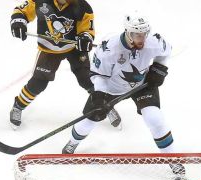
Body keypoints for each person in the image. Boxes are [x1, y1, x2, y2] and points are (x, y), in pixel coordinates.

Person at [62, 11, 176, 156]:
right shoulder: (108, 49)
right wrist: (98, 95)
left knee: (155, 119)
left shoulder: (153, 42)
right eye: (137, 35)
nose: (142, 39)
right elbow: (99, 75)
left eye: (144, 34)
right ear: (128, 32)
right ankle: (73, 142)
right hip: (111, 88)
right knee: (89, 121)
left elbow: (166, 51)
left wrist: (160, 68)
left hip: (141, 85)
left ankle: (173, 160)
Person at [9, 0, 121, 130]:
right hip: (48, 48)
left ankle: (106, 105)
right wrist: (18, 21)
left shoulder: (82, 6)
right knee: (38, 84)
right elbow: (21, 11)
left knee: (89, 80)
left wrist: (85, 38)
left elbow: (87, 30)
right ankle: (18, 105)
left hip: (74, 48)